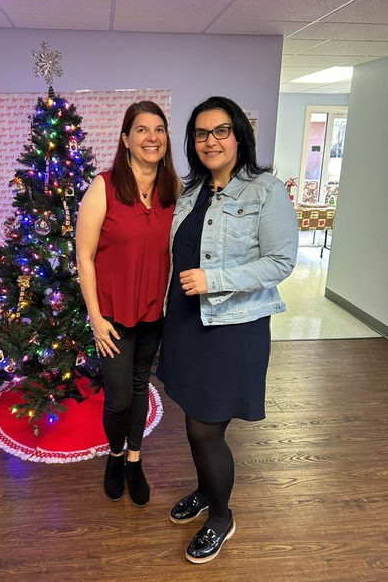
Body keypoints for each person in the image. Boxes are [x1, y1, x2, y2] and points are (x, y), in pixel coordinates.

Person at [156, 96, 298, 563]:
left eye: (220, 131)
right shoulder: (191, 191)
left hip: (232, 326)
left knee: (204, 429)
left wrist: (214, 279)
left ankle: (221, 517)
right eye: (200, 133)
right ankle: (204, 490)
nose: (210, 141)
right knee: (194, 416)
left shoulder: (265, 190)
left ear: (239, 135)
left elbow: (280, 262)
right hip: (185, 321)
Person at [76, 101, 179, 507]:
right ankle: (114, 457)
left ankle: (134, 461)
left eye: (159, 129)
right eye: (141, 130)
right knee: (119, 398)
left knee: (140, 387)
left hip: (153, 313)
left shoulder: (174, 190)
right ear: (126, 139)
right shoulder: (104, 186)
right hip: (113, 317)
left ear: (166, 138)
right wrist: (96, 319)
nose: (151, 137)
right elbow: (84, 255)